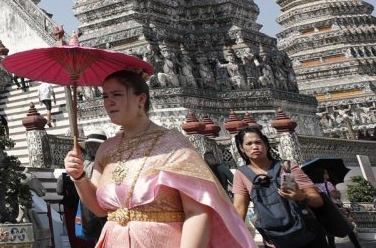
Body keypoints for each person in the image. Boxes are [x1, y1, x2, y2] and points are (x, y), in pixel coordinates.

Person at [64, 69, 253, 247]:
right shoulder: (106, 149)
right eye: (105, 96)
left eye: (117, 95)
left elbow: (197, 212)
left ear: (141, 99)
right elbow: (99, 209)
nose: (109, 102)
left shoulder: (172, 144)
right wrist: (79, 176)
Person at [231, 126, 326, 248]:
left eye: (258, 142)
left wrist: (301, 197)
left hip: (307, 236)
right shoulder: (241, 174)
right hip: (274, 241)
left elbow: (318, 201)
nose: (255, 147)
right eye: (249, 144)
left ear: (266, 144)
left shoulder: (287, 167)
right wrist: (233, 237)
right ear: (241, 148)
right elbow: (239, 209)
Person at [315, 171, 361, 248]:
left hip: (325, 209)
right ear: (322, 175)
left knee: (330, 231)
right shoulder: (328, 184)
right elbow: (335, 196)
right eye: (326, 173)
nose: (328, 174)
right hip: (334, 207)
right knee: (348, 227)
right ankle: (357, 245)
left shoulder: (315, 186)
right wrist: (337, 191)